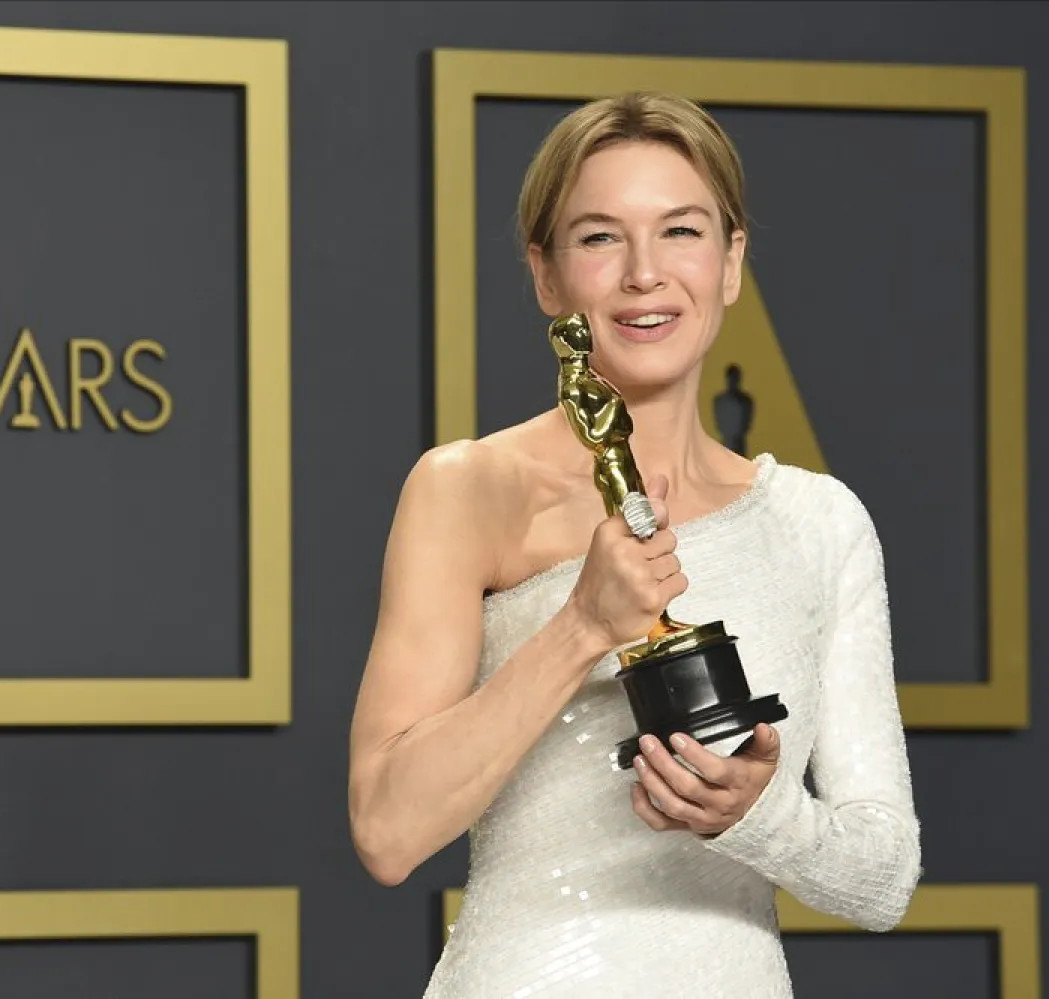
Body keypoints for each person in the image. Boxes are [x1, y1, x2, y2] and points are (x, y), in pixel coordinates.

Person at [347, 92, 921, 997]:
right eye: (600, 238)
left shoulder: (818, 523)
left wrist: (757, 816)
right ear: (546, 275)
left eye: (681, 231)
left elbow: (883, 878)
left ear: (731, 261)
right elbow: (386, 829)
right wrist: (581, 625)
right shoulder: (468, 489)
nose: (645, 274)